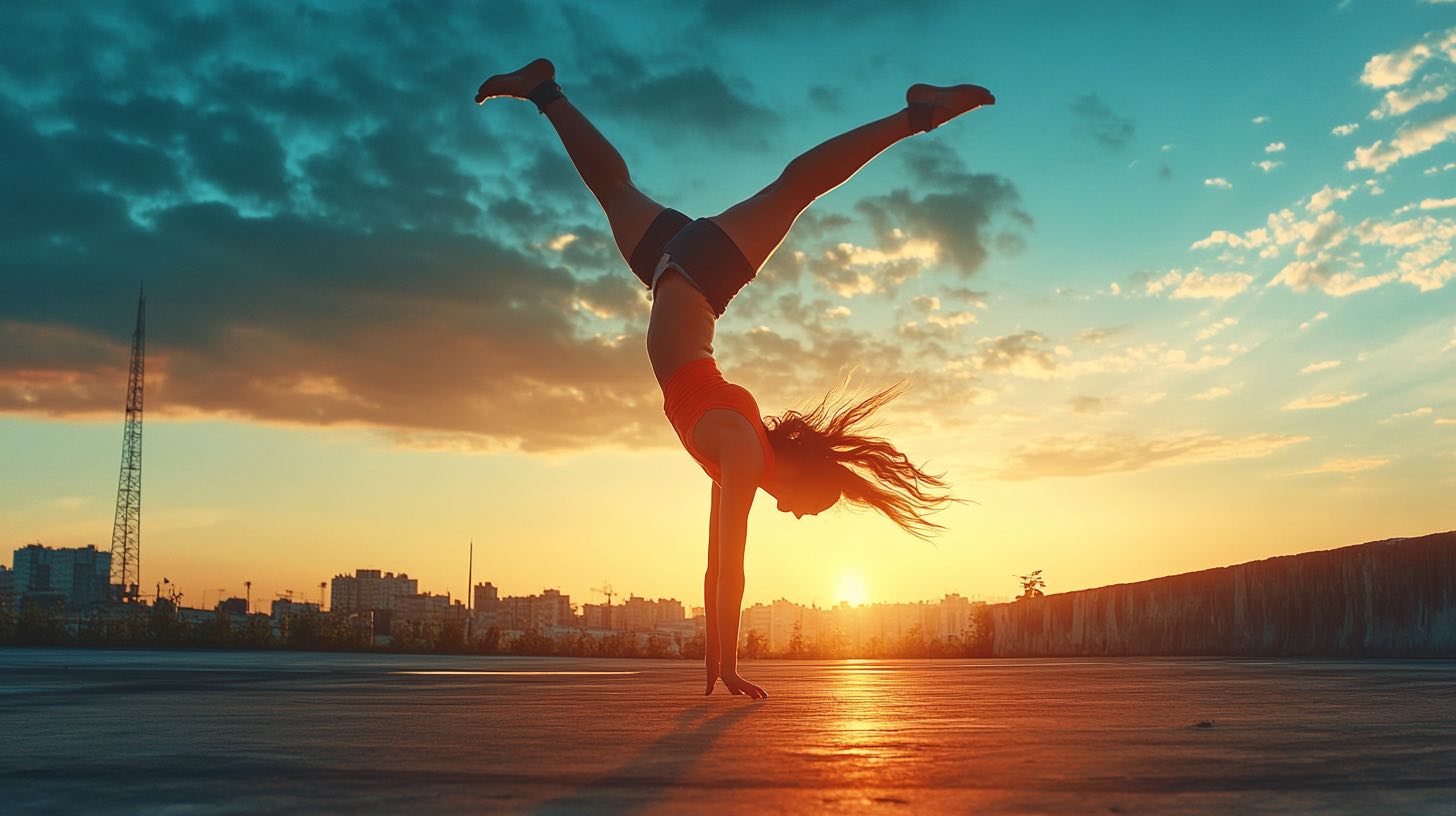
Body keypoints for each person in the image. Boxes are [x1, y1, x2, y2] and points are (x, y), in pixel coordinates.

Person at [476, 59, 992, 699]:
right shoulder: (745, 454)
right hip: (697, 276)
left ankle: (544, 90)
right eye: (814, 504)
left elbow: (716, 572)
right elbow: (726, 572)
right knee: (795, 189)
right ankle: (917, 115)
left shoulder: (742, 442)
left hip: (670, 269)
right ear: (802, 475)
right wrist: (724, 666)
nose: (802, 516)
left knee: (613, 186)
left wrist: (716, 664)